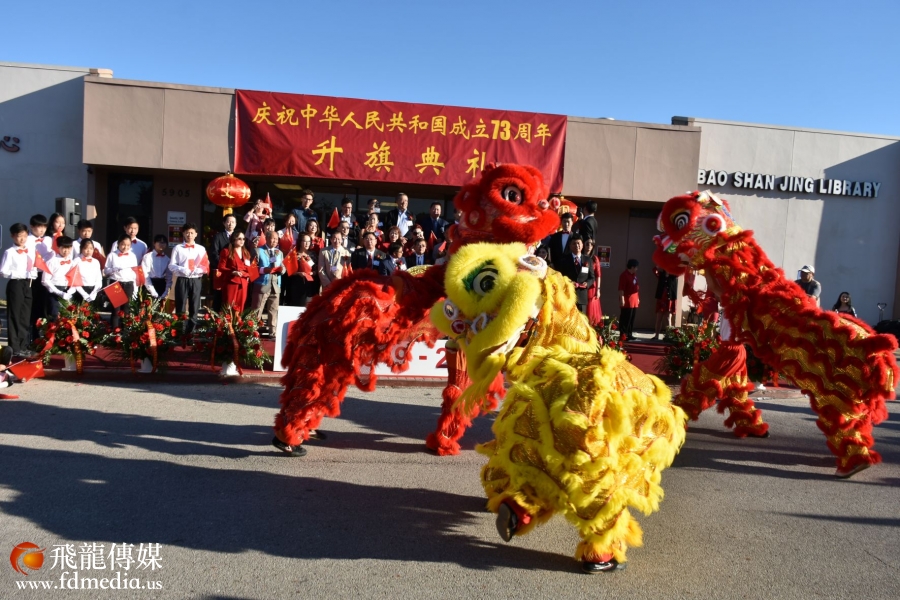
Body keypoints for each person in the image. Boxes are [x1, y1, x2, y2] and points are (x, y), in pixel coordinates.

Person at [1, 223, 36, 357]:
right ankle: (15, 347)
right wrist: (19, 273)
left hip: (28, 284)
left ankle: (23, 345)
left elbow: (33, 266)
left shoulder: (29, 251)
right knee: (14, 315)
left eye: (25, 236)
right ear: (13, 236)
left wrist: (33, 273)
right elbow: (3, 271)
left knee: (25, 316)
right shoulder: (9, 252)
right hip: (15, 284)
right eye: (19, 236)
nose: (22, 239)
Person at [169, 223, 207, 334]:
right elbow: (171, 265)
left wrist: (198, 270)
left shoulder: (201, 249)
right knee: (180, 305)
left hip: (196, 279)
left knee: (194, 305)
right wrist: (182, 269)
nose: (189, 235)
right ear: (183, 233)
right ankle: (180, 331)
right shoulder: (177, 248)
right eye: (187, 233)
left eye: (191, 233)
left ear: (196, 234)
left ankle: (191, 332)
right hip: (182, 279)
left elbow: (205, 265)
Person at [104, 235, 139, 330]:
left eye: (128, 245)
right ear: (118, 244)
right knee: (116, 310)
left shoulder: (132, 256)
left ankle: (125, 332)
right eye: (123, 244)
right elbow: (106, 271)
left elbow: (135, 272)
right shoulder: (112, 255)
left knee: (126, 310)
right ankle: (115, 332)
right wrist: (113, 269)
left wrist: (135, 288)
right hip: (116, 283)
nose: (125, 247)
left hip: (128, 284)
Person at [26, 214, 53, 338]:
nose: (42, 230)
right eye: (39, 226)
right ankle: (33, 336)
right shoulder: (27, 240)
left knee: (45, 306)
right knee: (33, 306)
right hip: (32, 276)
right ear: (32, 226)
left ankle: (45, 335)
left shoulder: (48, 240)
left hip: (45, 275)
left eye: (44, 227)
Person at [253, 231, 283, 336]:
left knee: (273, 310)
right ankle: (252, 331)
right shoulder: (258, 251)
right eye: (273, 238)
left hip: (275, 285)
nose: (275, 241)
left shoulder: (279, 252)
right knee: (257, 309)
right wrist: (264, 270)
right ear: (267, 238)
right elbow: (253, 268)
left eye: (276, 239)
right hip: (262, 284)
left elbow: (283, 266)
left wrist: (282, 270)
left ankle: (272, 332)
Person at [557, 235, 595, 314]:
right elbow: (560, 277)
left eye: (578, 243)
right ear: (570, 246)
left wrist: (587, 283)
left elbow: (592, 277)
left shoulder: (588, 260)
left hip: (582, 297)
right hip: (568, 296)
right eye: (574, 243)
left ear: (582, 245)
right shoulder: (564, 260)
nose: (577, 245)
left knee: (581, 319)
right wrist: (568, 283)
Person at [217, 230, 253, 312]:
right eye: (239, 239)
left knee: (241, 305)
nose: (242, 241)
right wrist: (232, 272)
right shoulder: (226, 251)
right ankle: (227, 320)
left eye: (243, 239)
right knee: (229, 305)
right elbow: (221, 267)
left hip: (243, 282)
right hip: (231, 282)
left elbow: (248, 267)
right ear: (233, 239)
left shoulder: (246, 252)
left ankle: (238, 320)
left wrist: (249, 274)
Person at [42, 235, 76, 318]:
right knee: (54, 316)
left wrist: (71, 290)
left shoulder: (72, 262)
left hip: (67, 290)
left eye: (69, 248)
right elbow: (45, 280)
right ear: (58, 247)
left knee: (68, 316)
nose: (66, 251)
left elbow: (75, 278)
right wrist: (58, 292)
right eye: (64, 248)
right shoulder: (52, 261)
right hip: (54, 291)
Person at [210, 214, 237, 311]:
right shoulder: (218, 236)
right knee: (219, 295)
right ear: (224, 223)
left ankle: (232, 316)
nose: (230, 224)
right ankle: (216, 316)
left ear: (236, 224)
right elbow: (214, 253)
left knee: (232, 295)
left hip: (234, 271)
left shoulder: (238, 237)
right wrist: (224, 265)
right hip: (221, 271)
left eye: (233, 222)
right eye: (228, 222)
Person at [72, 239, 103, 306]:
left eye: (91, 248)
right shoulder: (76, 261)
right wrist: (84, 294)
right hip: (80, 290)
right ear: (81, 249)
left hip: (93, 291)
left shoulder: (96, 262)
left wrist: (94, 293)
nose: (88, 251)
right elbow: (74, 280)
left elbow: (99, 279)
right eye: (86, 248)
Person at [290, 233, 317, 306]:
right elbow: (289, 271)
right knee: (298, 305)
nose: (307, 243)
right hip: (297, 283)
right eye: (305, 241)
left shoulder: (313, 254)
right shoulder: (294, 254)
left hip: (310, 283)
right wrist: (298, 273)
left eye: (309, 241)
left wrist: (312, 273)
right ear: (300, 242)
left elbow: (316, 269)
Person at [142, 235, 172, 301]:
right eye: (159, 242)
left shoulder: (167, 259)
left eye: (163, 242)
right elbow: (145, 275)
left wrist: (166, 292)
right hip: (150, 284)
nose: (161, 244)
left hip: (162, 285)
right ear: (154, 243)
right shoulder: (147, 257)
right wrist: (153, 292)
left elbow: (169, 277)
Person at [653, 267, 678, 340]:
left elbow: (680, 272)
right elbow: (654, 271)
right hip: (661, 299)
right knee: (659, 318)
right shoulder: (661, 275)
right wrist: (657, 266)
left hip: (669, 300)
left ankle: (668, 336)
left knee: (668, 318)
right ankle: (656, 335)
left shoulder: (674, 276)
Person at [618, 259, 640, 340]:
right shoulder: (624, 275)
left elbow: (636, 288)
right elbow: (621, 289)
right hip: (627, 300)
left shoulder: (634, 275)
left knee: (631, 318)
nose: (637, 269)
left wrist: (638, 298)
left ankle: (629, 334)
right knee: (625, 318)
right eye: (636, 267)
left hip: (634, 300)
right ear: (632, 267)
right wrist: (622, 299)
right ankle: (623, 335)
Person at [584, 238, 603, 326]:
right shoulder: (580, 256)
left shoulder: (595, 259)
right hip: (581, 285)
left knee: (591, 308)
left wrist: (598, 289)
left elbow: (598, 275)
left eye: (591, 244)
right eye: (587, 244)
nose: (589, 246)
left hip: (592, 287)